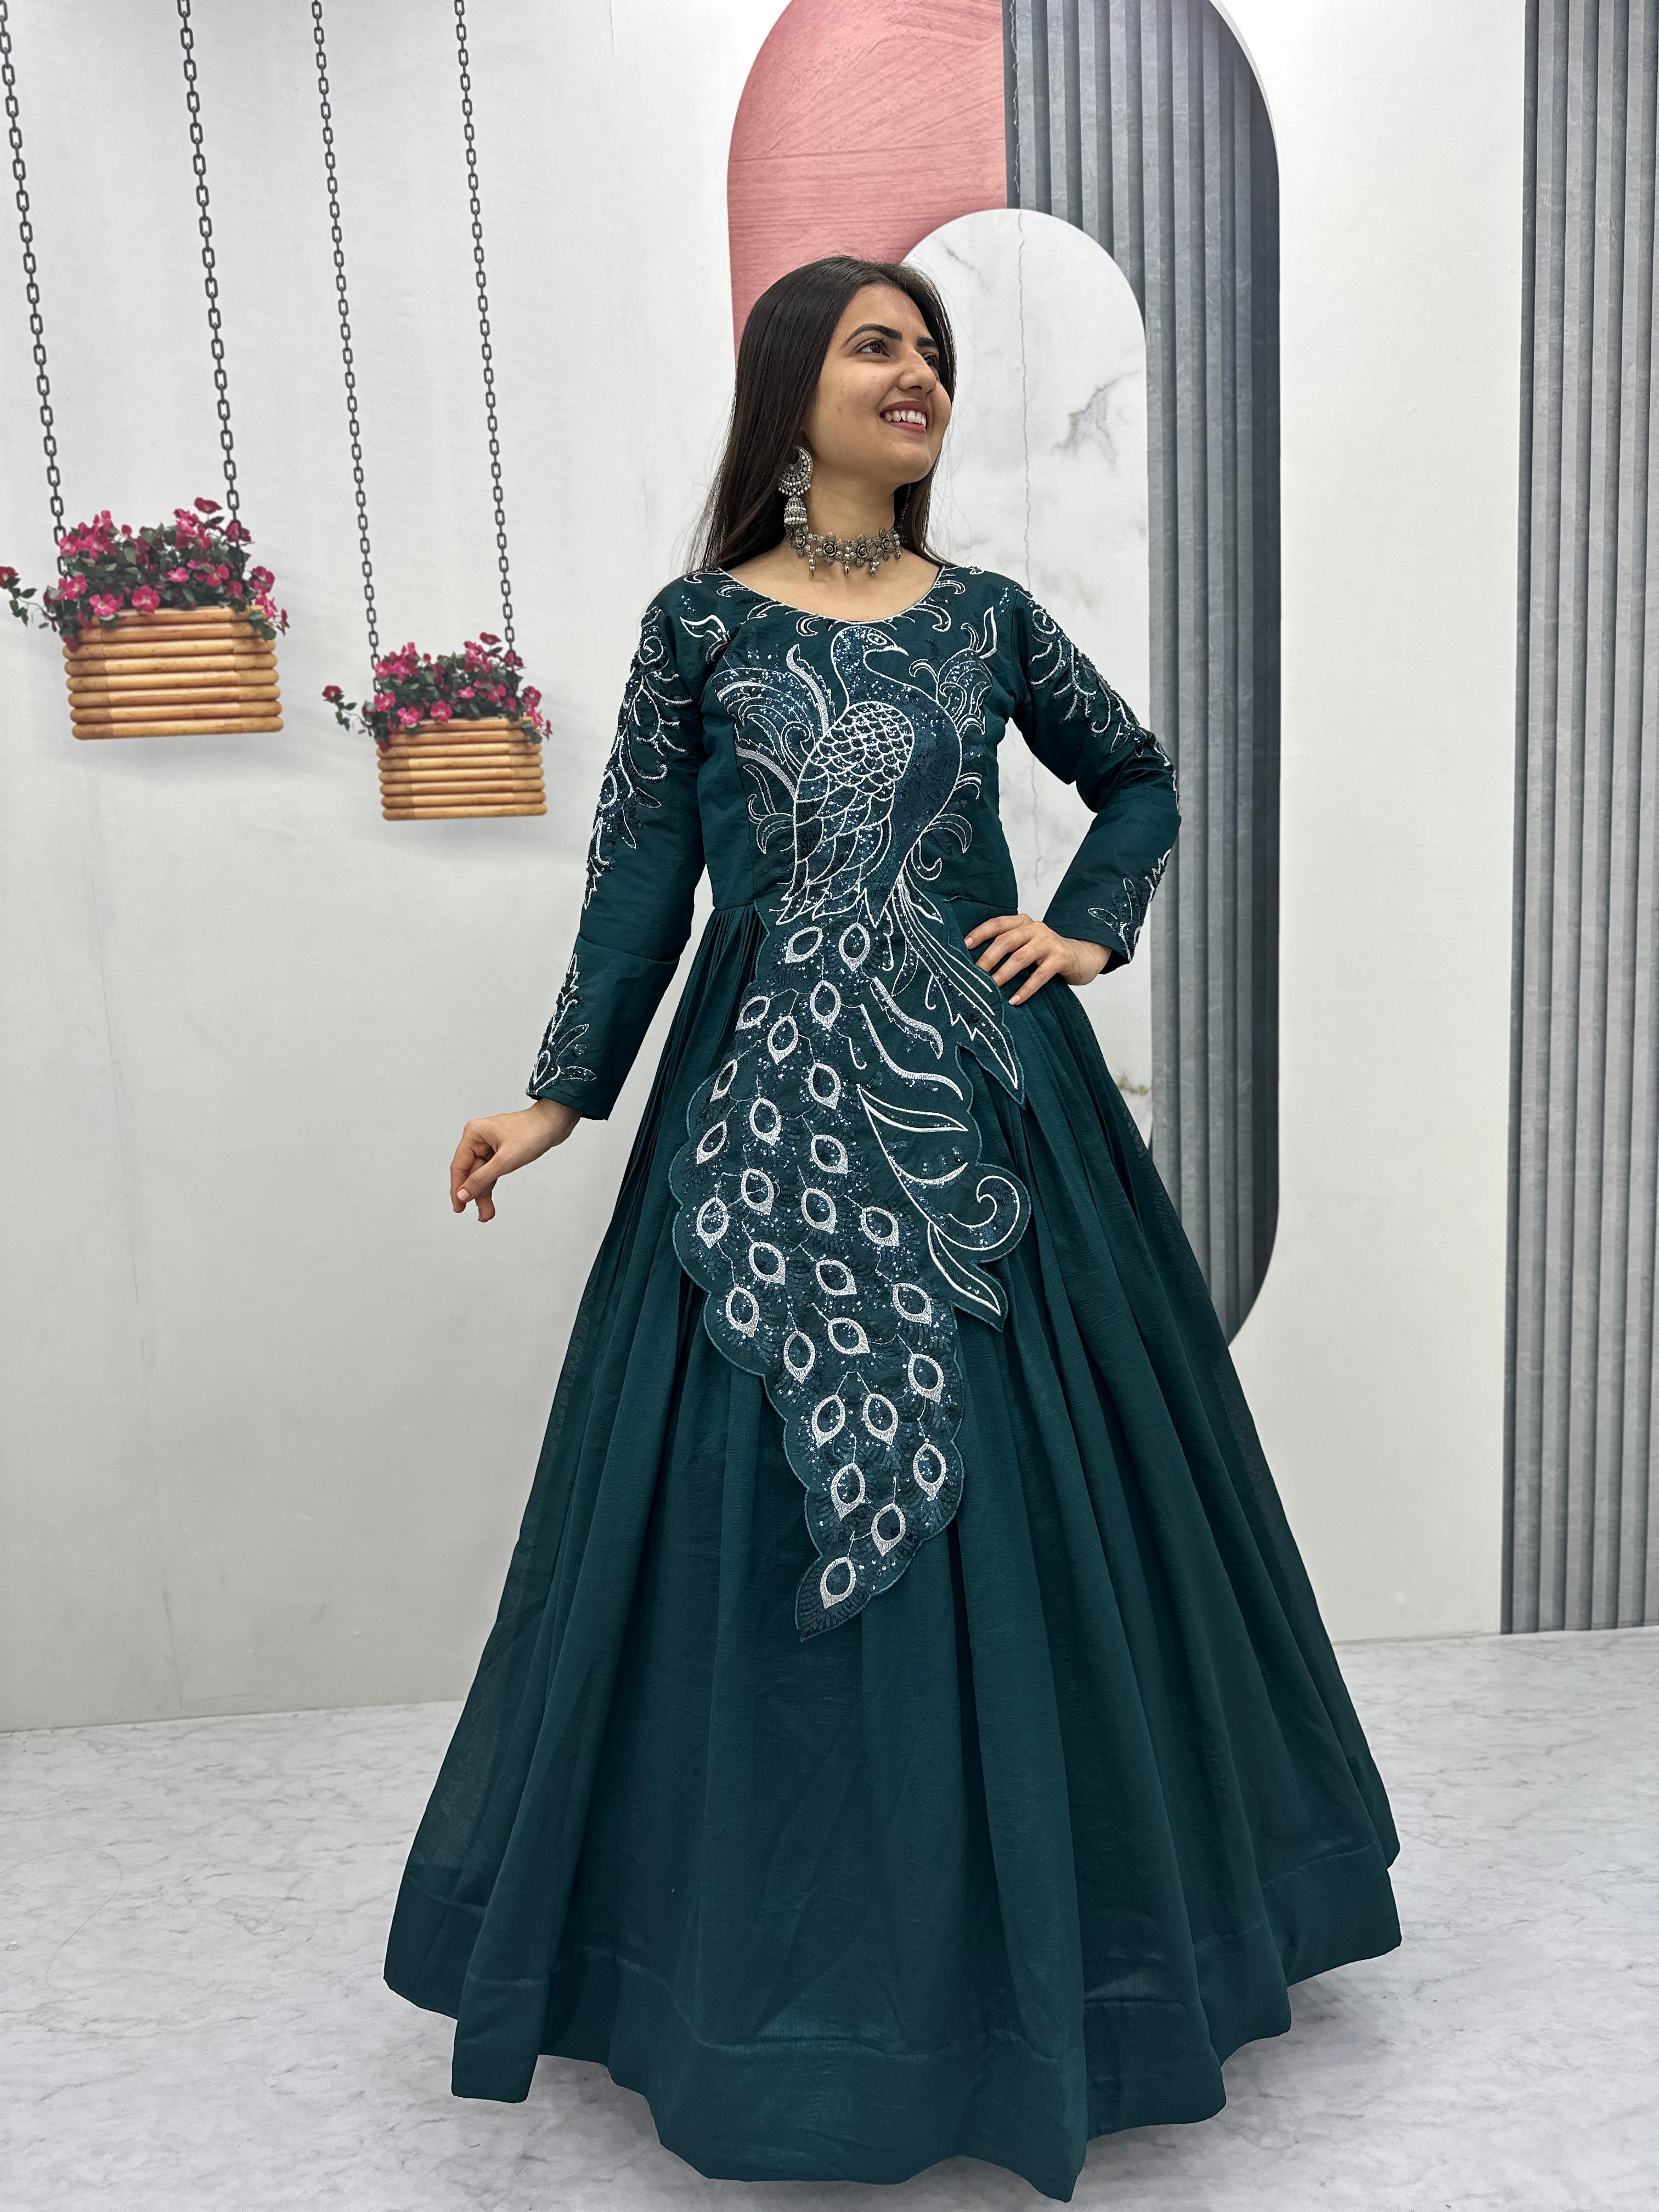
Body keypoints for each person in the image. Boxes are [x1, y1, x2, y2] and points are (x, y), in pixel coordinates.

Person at [383, 253, 1401, 2202]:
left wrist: (1087, 925)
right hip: (756, 1124)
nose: (916, 372)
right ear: (794, 387)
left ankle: (1085, 1960)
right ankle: (749, 1982)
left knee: (1054, 1508)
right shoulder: (698, 628)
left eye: (932, 350)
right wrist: (561, 1092)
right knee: (735, 1516)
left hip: (988, 1112)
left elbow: (1138, 777)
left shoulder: (987, 619)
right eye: (877, 345)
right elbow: (641, 884)